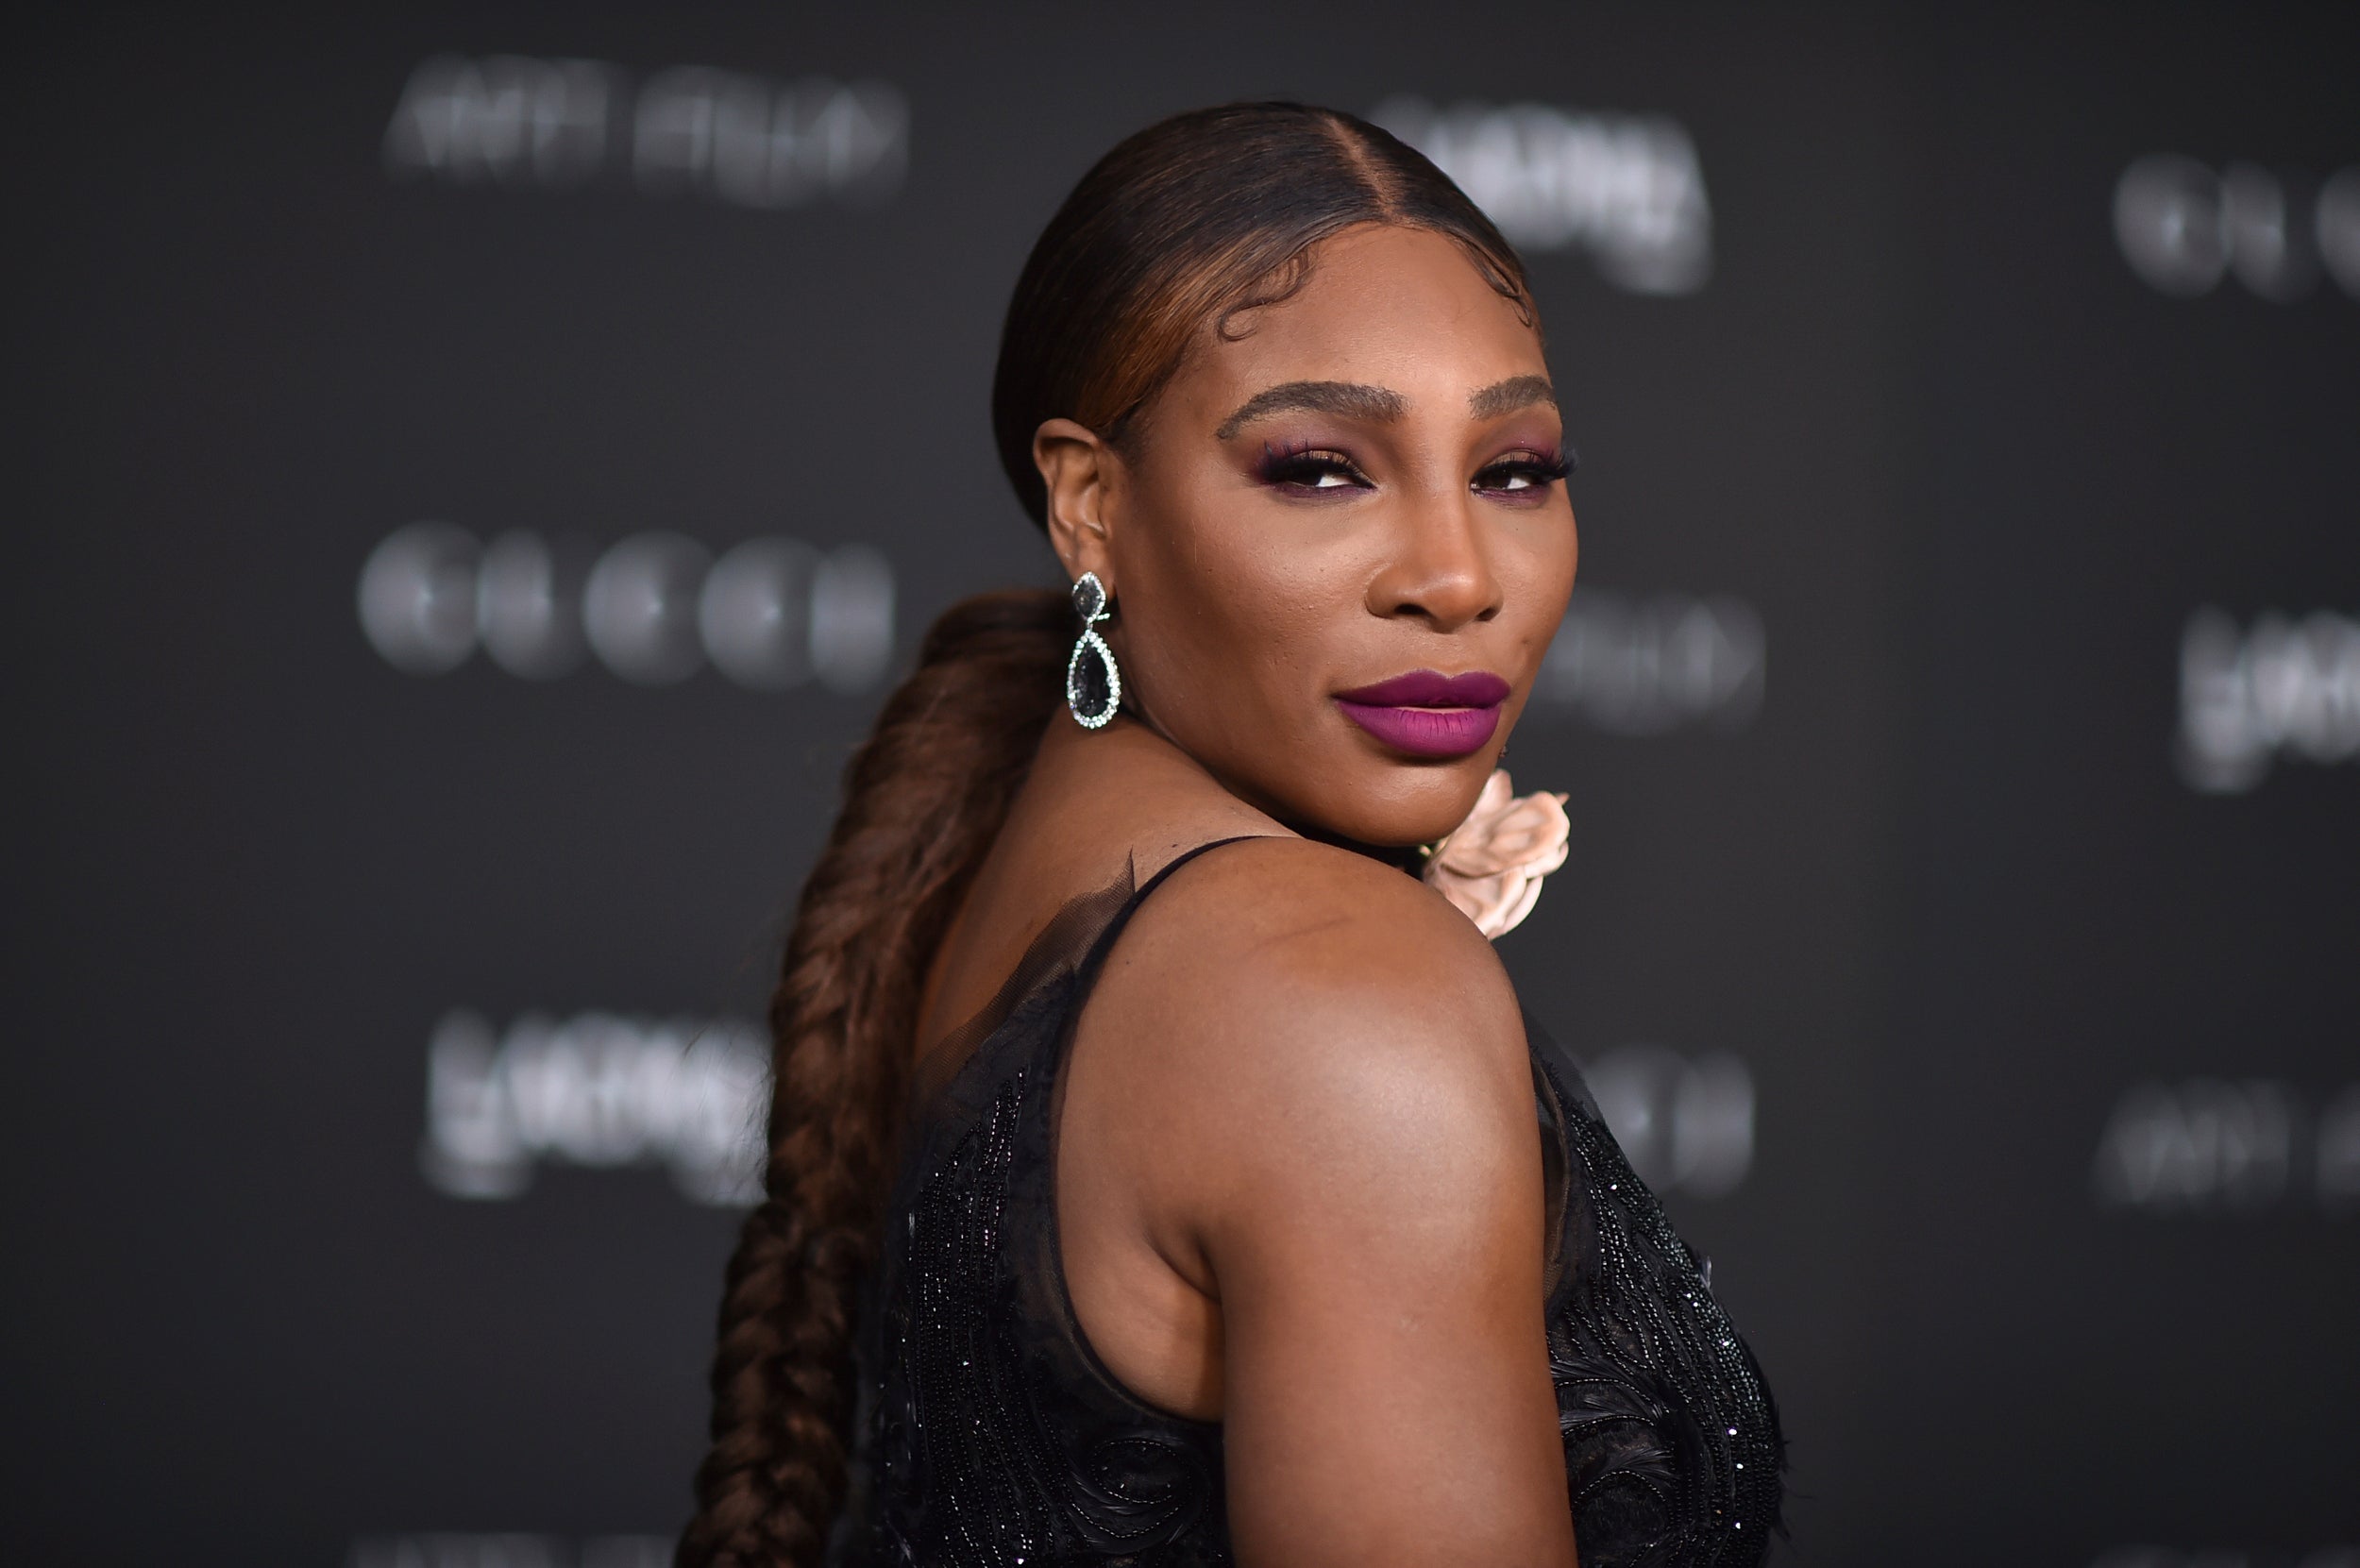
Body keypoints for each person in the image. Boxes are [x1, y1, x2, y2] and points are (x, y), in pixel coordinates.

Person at [677, 102, 1782, 1568]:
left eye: (1516, 469)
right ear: (1090, 504)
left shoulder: (1029, 857)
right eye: (1321, 467)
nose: (1457, 576)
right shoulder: (1325, 995)